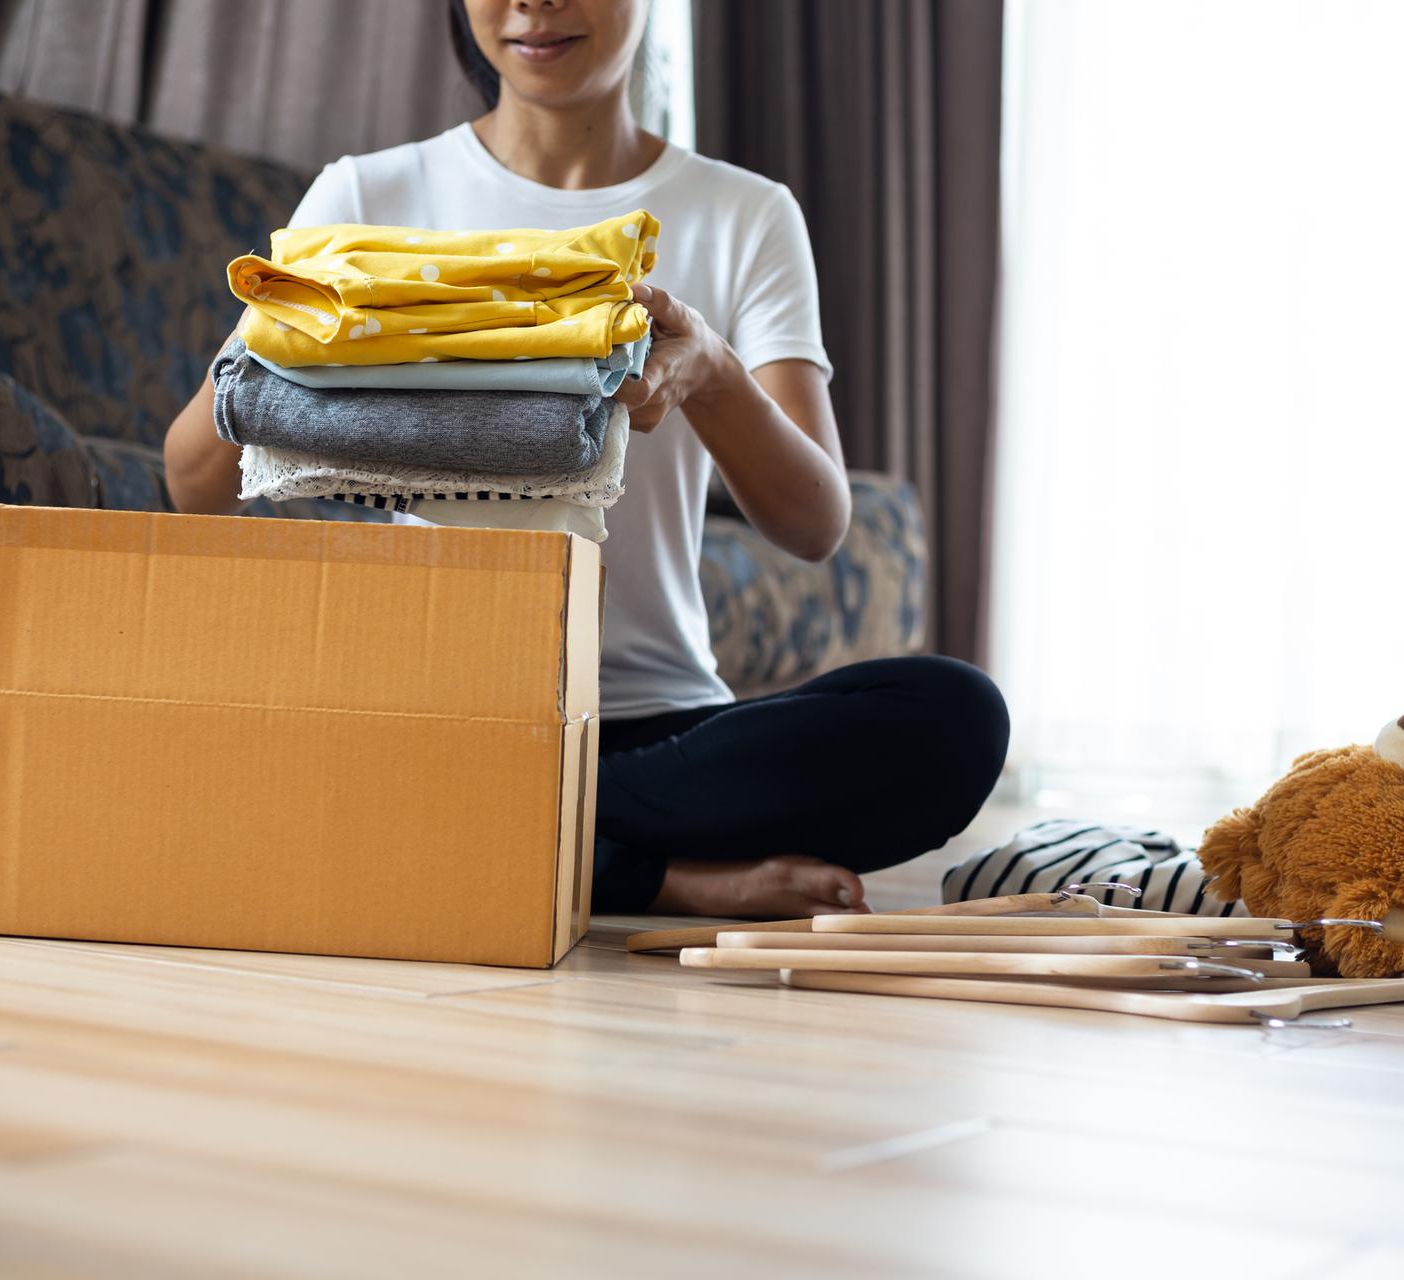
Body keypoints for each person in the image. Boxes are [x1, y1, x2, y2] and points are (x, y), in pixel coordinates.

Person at [163, 0, 1009, 920]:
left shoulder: (745, 213)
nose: (534, 3)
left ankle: (502, 829)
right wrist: (290, 325)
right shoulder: (368, 200)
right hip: (448, 712)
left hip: (657, 731)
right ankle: (641, 872)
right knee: (313, 730)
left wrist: (713, 371)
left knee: (955, 715)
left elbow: (815, 525)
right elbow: (193, 484)